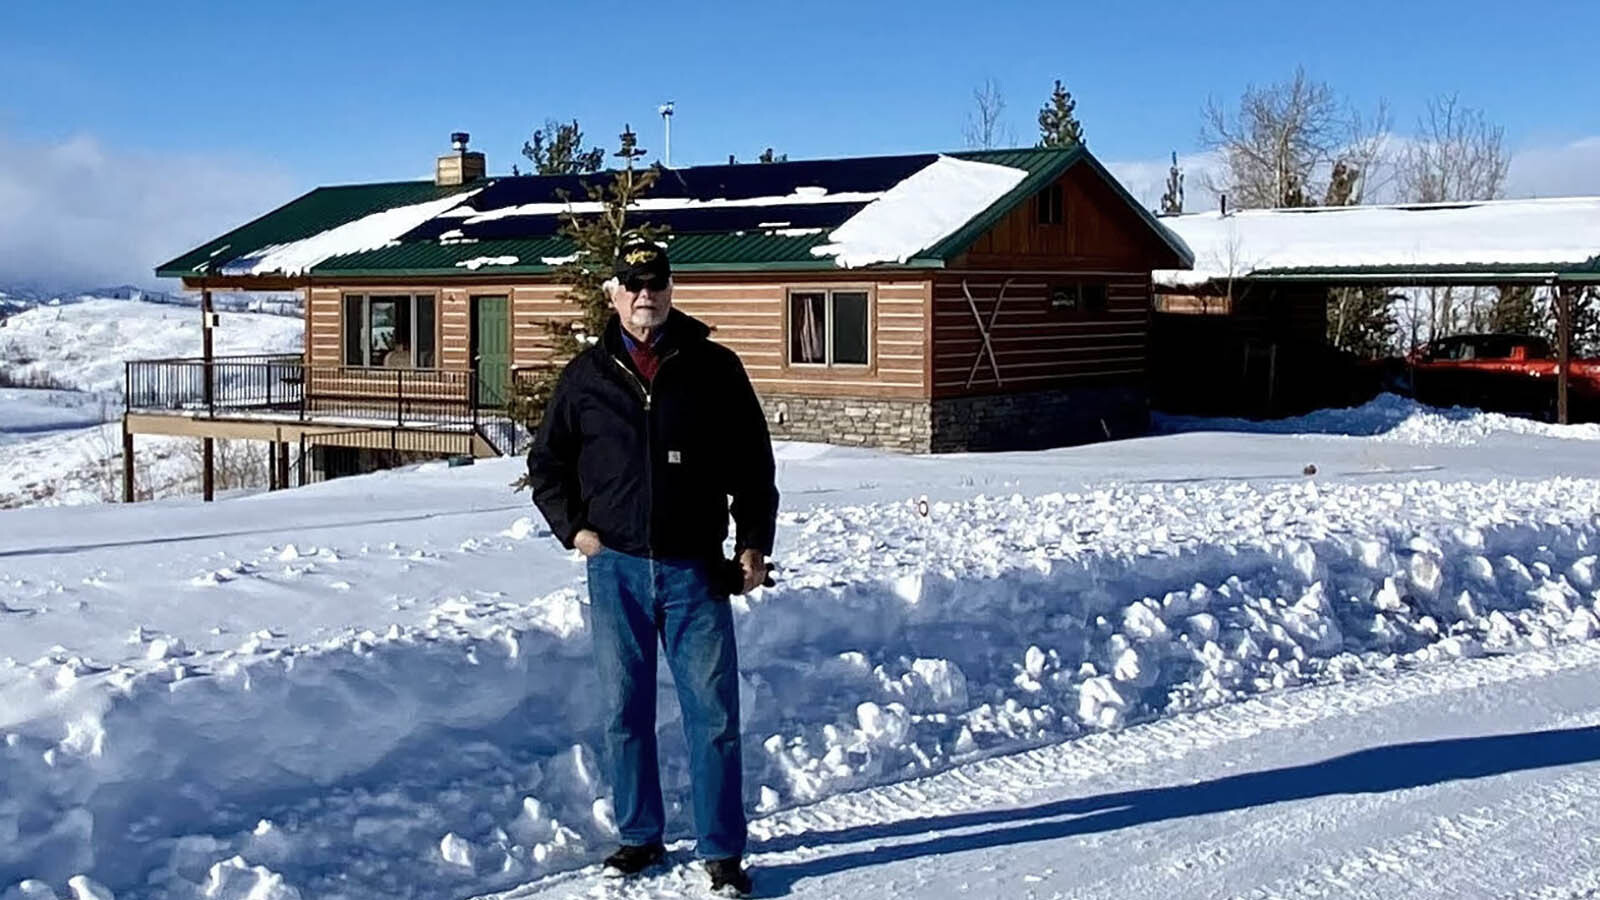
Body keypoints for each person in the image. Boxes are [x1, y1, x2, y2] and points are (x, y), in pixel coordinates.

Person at [526, 240, 777, 896]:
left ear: (671, 289)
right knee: (623, 710)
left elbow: (753, 464)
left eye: (657, 284)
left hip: (695, 569)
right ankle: (640, 836)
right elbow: (547, 462)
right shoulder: (587, 375)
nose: (647, 296)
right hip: (617, 571)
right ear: (613, 292)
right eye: (634, 285)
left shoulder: (714, 368)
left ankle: (722, 851)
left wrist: (752, 542)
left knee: (714, 714)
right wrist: (575, 531)